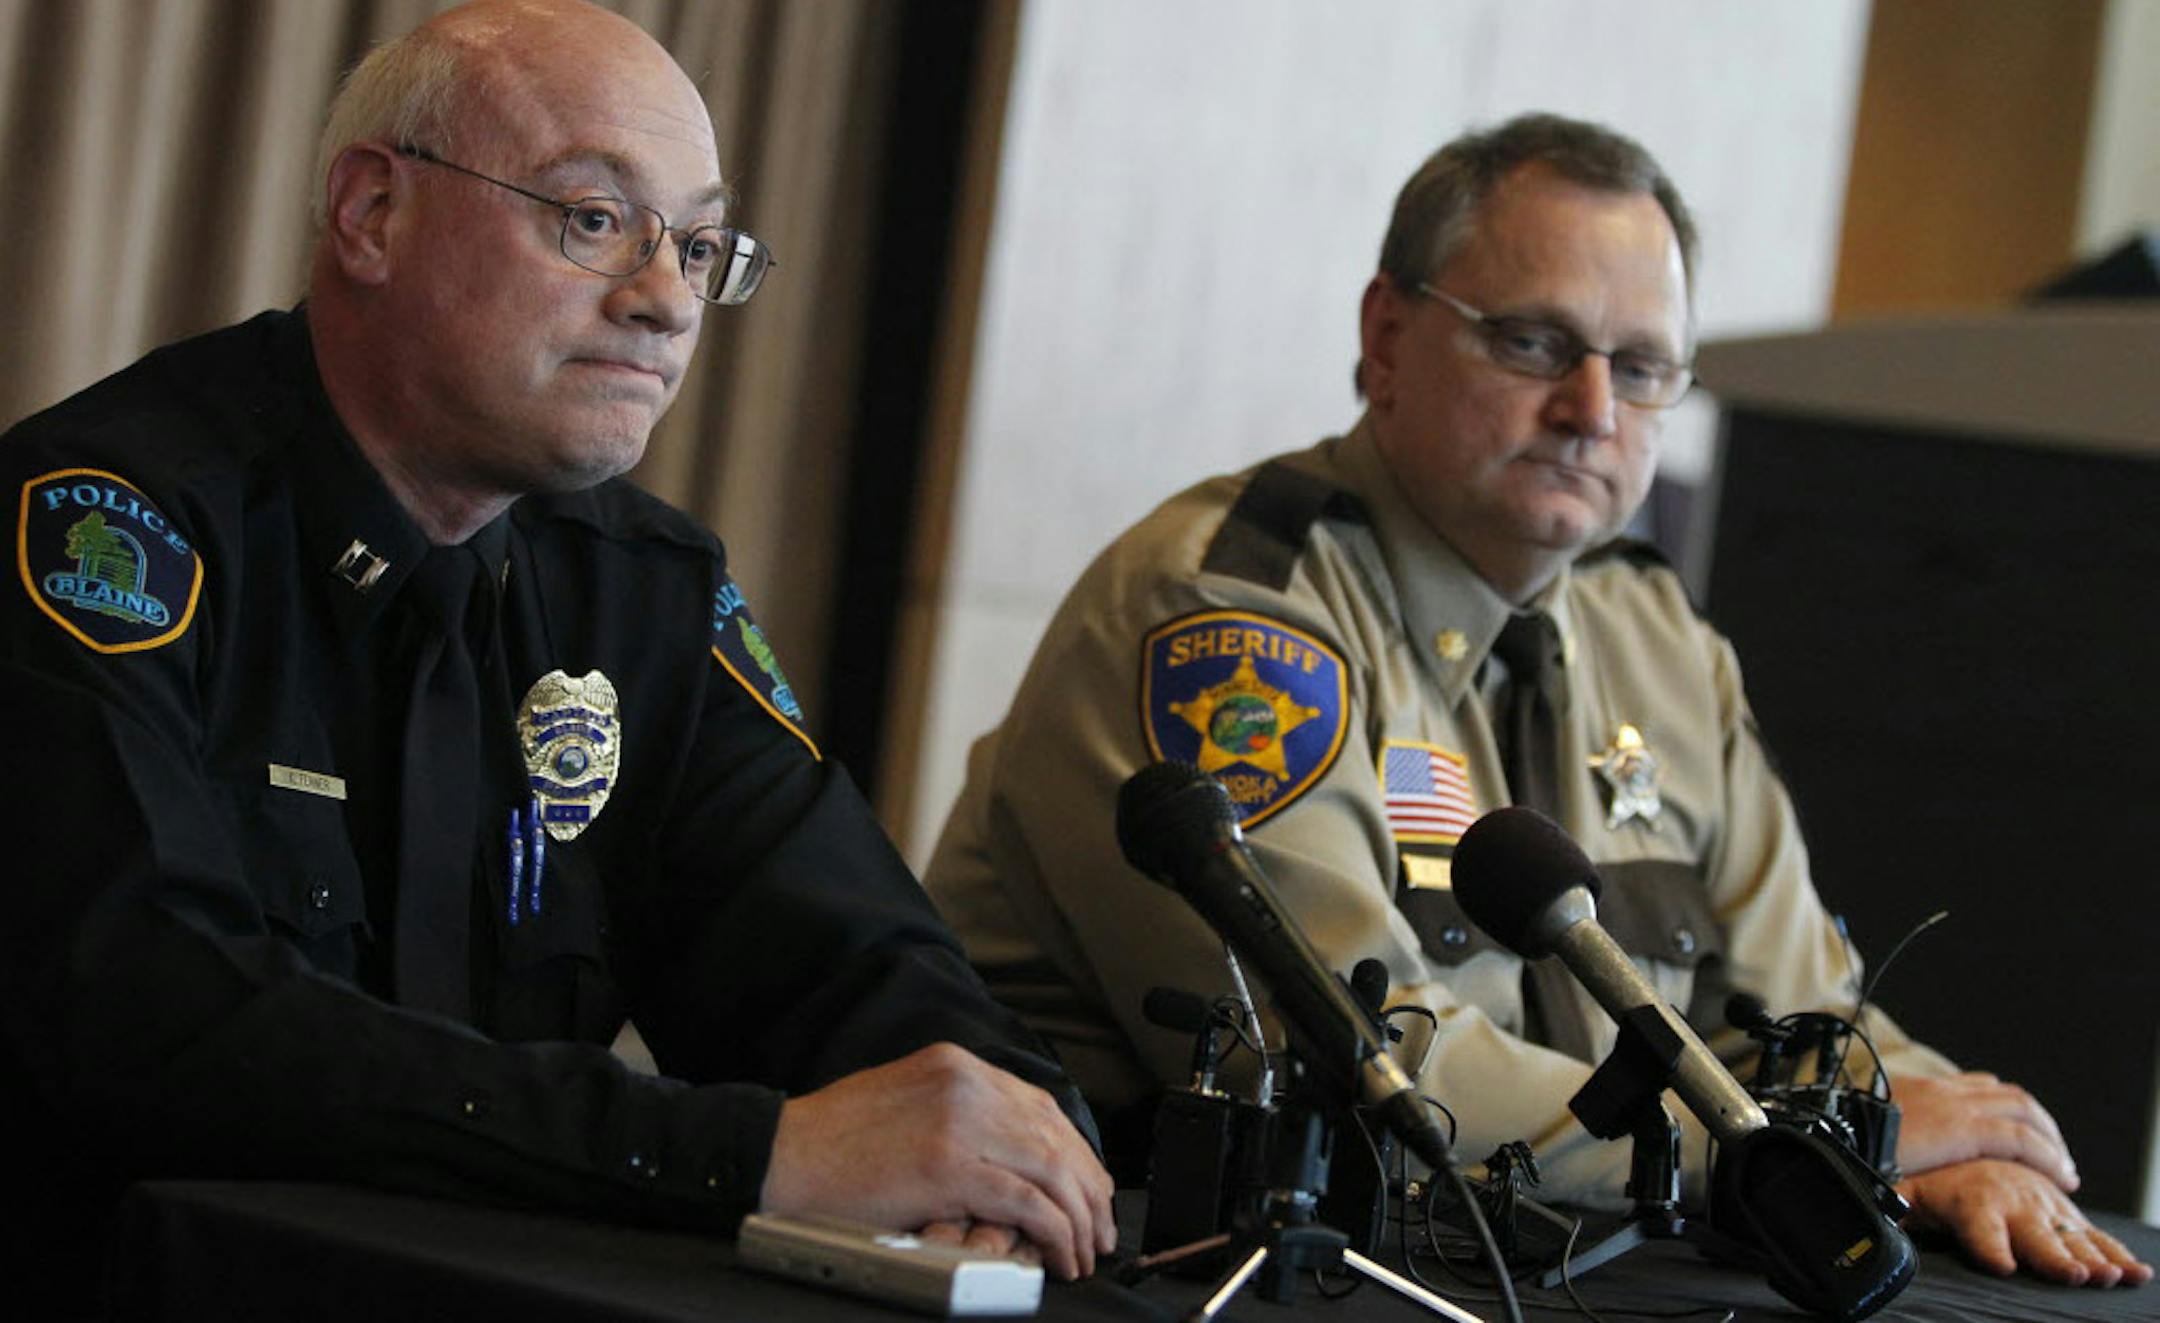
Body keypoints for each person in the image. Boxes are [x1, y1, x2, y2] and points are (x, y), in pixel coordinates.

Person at [0, 0, 1111, 1302]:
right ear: (372, 214)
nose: (663, 303)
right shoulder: (106, 528)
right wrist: (742, 1153)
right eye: (595, 221)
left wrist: (1005, 1147)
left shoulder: (642, 596)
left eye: (698, 246)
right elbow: (157, 1024)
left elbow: (855, 961)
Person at [923, 113, 2148, 1288]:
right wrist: (1812, 1153)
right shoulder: (1236, 628)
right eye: (1532, 343)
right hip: (1175, 1260)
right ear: (1387, 337)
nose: (1591, 412)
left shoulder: (1654, 635)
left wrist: (1956, 1137)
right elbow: (1364, 1074)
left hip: (1552, 1260)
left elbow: (1798, 1012)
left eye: (1643, 366)